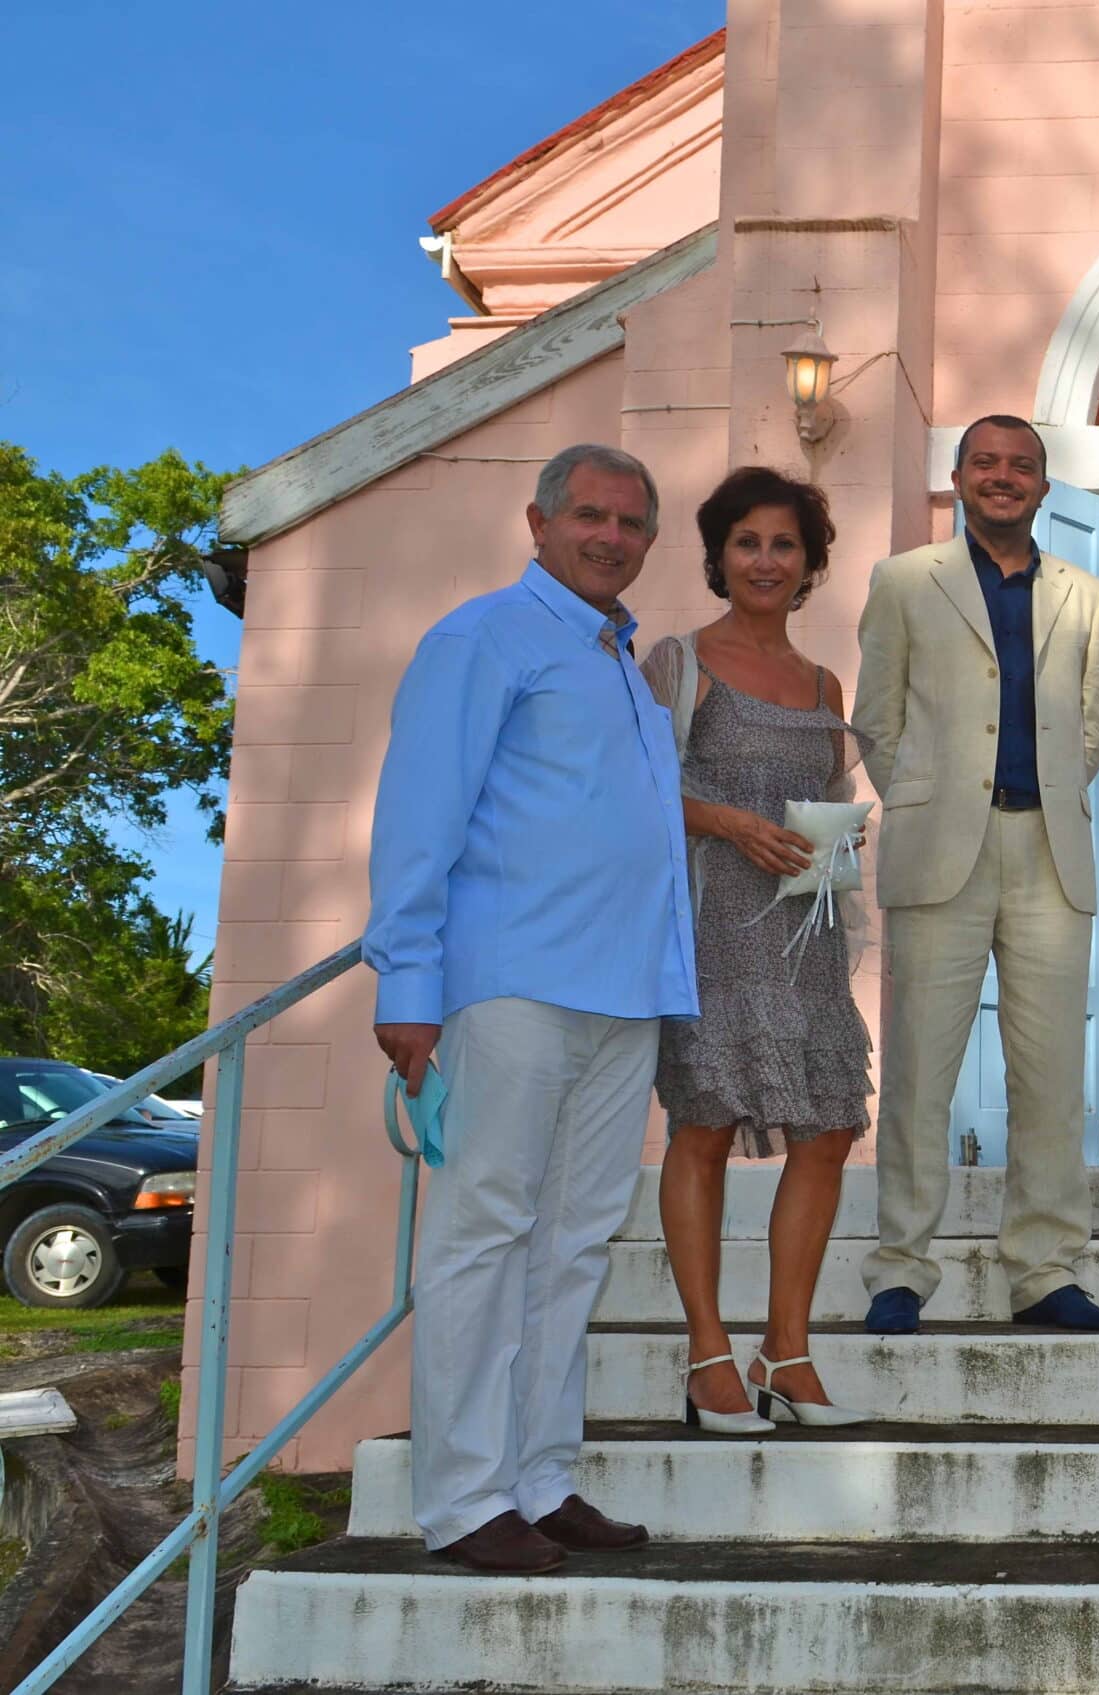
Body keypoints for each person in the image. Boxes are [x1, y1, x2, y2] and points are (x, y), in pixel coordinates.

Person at [365, 443, 690, 1573]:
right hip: (510, 983)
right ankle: (462, 1502)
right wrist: (407, 980)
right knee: (482, 1238)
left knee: (574, 1245)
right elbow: (420, 813)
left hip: (624, 990)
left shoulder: (621, 664)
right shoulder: (483, 637)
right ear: (539, 523)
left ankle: (541, 1479)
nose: (610, 536)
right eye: (590, 516)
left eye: (631, 522)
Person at [850, 415, 1099, 1334]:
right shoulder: (902, 581)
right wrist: (929, 801)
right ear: (959, 478)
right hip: (939, 850)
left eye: (1022, 467)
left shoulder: (1086, 592)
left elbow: (1093, 722)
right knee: (921, 1068)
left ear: (1045, 487)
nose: (1004, 478)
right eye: (986, 463)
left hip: (1048, 847)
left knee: (1050, 1076)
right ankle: (900, 1268)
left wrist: (1039, 794)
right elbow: (876, 719)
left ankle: (1044, 1270)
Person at [640, 466, 870, 1434]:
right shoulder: (676, 662)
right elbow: (636, 790)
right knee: (704, 1127)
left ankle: (787, 1353)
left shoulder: (825, 684)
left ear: (809, 563)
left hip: (803, 932)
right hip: (708, 929)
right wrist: (731, 822)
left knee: (826, 1132)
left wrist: (838, 841)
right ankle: (705, 1355)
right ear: (719, 557)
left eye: (784, 544)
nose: (765, 560)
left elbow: (823, 805)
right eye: (747, 543)